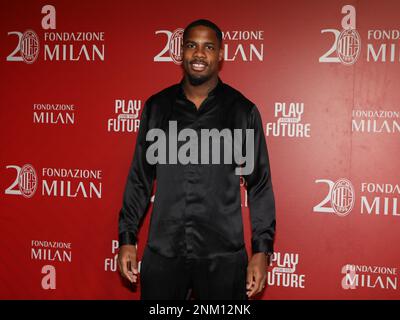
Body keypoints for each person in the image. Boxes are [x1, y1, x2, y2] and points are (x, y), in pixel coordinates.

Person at [117, 19, 276, 300]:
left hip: (223, 257)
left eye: (208, 47)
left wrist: (261, 251)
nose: (199, 54)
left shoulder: (242, 111)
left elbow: (259, 185)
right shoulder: (157, 108)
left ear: (221, 54)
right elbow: (140, 178)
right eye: (191, 45)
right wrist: (127, 238)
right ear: (181, 52)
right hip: (164, 253)